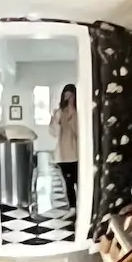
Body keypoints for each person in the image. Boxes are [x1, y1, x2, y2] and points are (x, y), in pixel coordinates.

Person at [55, 82, 80, 216]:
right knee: (68, 183)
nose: (69, 98)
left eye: (71, 96)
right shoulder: (59, 112)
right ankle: (72, 207)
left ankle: (81, 206)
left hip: (76, 153)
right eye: (66, 95)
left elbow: (78, 131)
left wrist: (72, 113)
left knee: (78, 181)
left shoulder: (78, 113)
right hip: (62, 155)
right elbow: (53, 131)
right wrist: (57, 120)